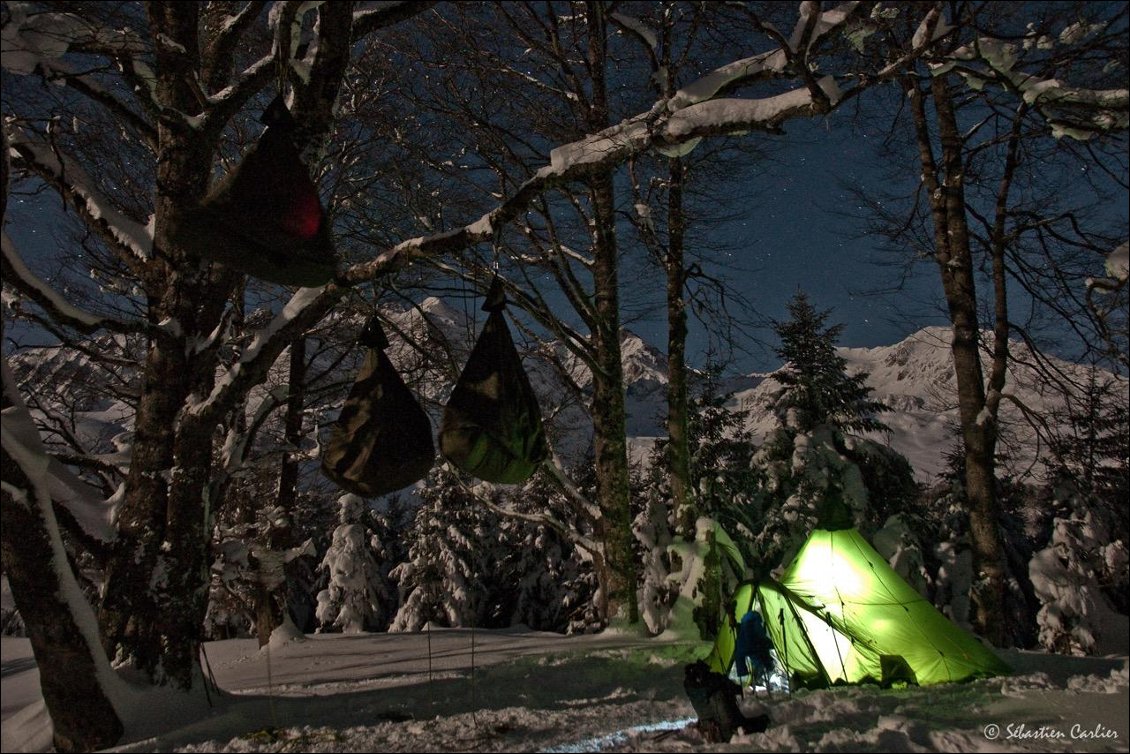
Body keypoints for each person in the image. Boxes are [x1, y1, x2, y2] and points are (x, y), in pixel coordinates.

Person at [683, 660, 770, 743]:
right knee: (760, 722)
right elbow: (734, 688)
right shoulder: (715, 682)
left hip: (708, 724)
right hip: (727, 726)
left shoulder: (690, 685)